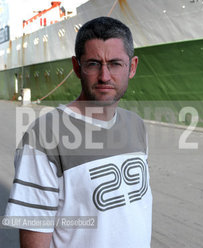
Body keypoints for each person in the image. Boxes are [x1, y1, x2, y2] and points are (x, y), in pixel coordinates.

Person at [5, 16, 152, 247]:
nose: (105, 76)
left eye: (115, 63)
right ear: (76, 67)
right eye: (93, 63)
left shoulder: (136, 126)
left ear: (132, 67)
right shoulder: (43, 138)